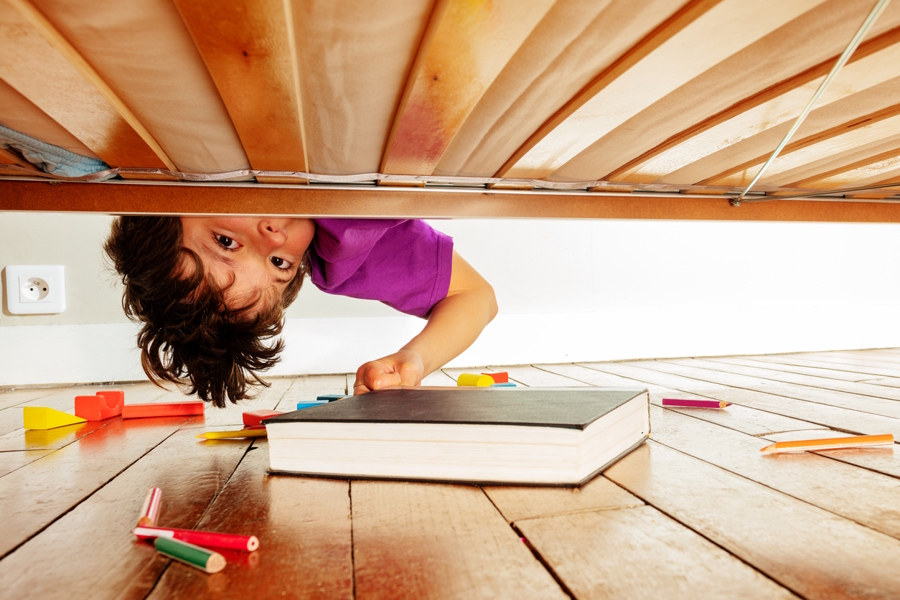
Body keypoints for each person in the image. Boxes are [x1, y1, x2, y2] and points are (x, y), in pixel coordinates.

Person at [104, 216, 497, 407]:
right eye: (279, 263)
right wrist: (415, 358)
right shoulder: (344, 248)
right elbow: (476, 295)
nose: (276, 236)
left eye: (226, 241)